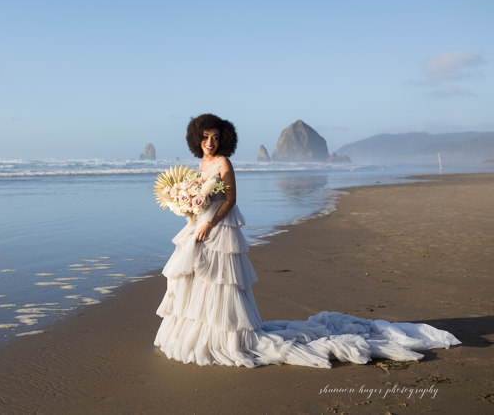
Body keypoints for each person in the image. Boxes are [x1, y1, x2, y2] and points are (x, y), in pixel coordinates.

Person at [152, 114, 461, 368]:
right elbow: (201, 197)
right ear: (197, 139)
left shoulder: (223, 164)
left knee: (222, 281)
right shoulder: (203, 165)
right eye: (205, 137)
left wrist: (210, 223)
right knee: (197, 280)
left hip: (218, 228)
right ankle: (202, 331)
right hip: (201, 227)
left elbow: (230, 200)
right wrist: (189, 211)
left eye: (215, 138)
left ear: (224, 140)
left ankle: (229, 335)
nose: (210, 143)